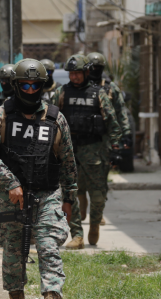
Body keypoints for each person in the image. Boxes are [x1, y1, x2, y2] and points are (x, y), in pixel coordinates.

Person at [0, 59, 75, 299]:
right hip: (11, 196)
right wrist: (10, 182)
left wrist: (69, 198)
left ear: (43, 86)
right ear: (16, 85)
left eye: (36, 86)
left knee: (48, 247)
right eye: (25, 85)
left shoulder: (55, 118)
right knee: (13, 252)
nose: (31, 91)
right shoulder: (0, 116)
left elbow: (67, 160)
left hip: (46, 194)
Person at [51, 54, 121, 248]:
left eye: (77, 74)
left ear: (86, 72)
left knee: (98, 196)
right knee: (70, 195)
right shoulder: (61, 93)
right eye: (71, 74)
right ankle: (77, 235)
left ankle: (95, 223)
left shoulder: (98, 94)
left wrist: (115, 148)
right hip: (69, 151)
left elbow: (113, 124)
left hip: (94, 151)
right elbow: (49, 122)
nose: (74, 77)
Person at [86, 52, 132, 225]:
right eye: (92, 68)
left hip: (104, 140)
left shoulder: (111, 89)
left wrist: (125, 135)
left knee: (101, 179)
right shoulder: (80, 88)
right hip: (82, 140)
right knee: (80, 181)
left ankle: (98, 213)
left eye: (98, 68)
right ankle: (82, 209)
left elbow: (121, 112)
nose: (95, 71)